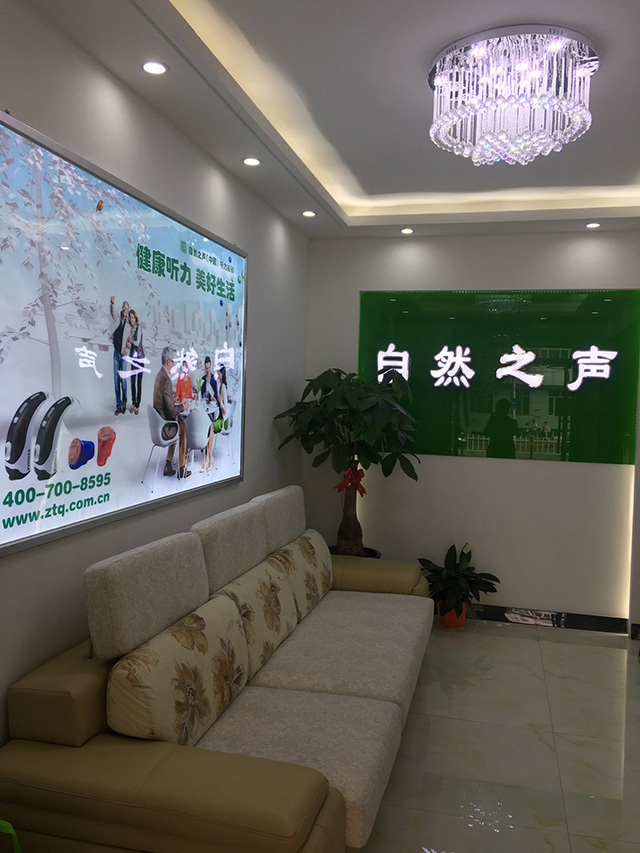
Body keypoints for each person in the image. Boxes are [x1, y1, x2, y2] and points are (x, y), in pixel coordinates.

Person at [153, 347, 191, 479]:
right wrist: (183, 406)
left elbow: (164, 402)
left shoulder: (159, 375)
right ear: (168, 362)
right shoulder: (167, 380)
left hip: (158, 425)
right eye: (173, 361)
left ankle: (168, 465)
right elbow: (172, 411)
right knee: (183, 427)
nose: (174, 364)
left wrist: (172, 400)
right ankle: (182, 469)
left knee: (177, 425)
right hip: (164, 428)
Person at [199, 356, 224, 472]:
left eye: (209, 368)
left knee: (209, 426)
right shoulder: (202, 380)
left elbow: (218, 400)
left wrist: (213, 399)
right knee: (205, 424)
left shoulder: (214, 380)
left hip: (213, 411)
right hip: (204, 407)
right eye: (206, 368)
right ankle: (209, 456)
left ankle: (207, 458)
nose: (207, 370)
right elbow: (201, 395)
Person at [109, 296, 131, 415]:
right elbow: (112, 312)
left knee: (124, 380)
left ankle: (124, 402)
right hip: (116, 354)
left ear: (128, 310)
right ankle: (118, 405)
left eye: (126, 308)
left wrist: (127, 348)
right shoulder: (117, 318)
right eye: (123, 307)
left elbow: (130, 341)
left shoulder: (129, 324)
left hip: (124, 356)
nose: (124, 310)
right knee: (116, 381)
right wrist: (112, 304)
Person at [126, 309, 144, 415]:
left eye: (132, 317)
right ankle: (133, 402)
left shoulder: (139, 327)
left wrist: (130, 341)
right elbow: (131, 344)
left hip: (140, 358)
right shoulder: (130, 329)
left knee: (139, 383)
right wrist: (128, 344)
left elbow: (137, 343)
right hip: (133, 358)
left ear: (135, 318)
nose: (131, 319)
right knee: (132, 382)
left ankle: (137, 405)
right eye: (130, 317)